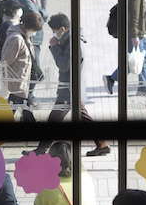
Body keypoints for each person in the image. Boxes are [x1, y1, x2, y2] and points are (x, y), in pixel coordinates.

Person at [24, 14, 111, 157]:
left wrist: (54, 47)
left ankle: (40, 151)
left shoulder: (73, 42)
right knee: (78, 117)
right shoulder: (70, 39)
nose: (53, 33)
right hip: (71, 88)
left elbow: (64, 64)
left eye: (54, 30)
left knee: (54, 119)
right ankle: (102, 144)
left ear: (62, 29)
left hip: (70, 89)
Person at [1, 12, 42, 123]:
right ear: (28, 27)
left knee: (24, 104)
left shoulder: (23, 35)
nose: (34, 33)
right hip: (17, 78)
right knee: (16, 104)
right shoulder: (17, 39)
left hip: (21, 78)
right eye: (34, 30)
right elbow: (7, 60)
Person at [17, 0, 49, 107]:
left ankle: (28, 97)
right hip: (32, 39)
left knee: (34, 69)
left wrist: (41, 13)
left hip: (35, 38)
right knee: (34, 70)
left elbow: (43, 14)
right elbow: (39, 18)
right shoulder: (25, 0)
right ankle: (29, 97)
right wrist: (41, 13)